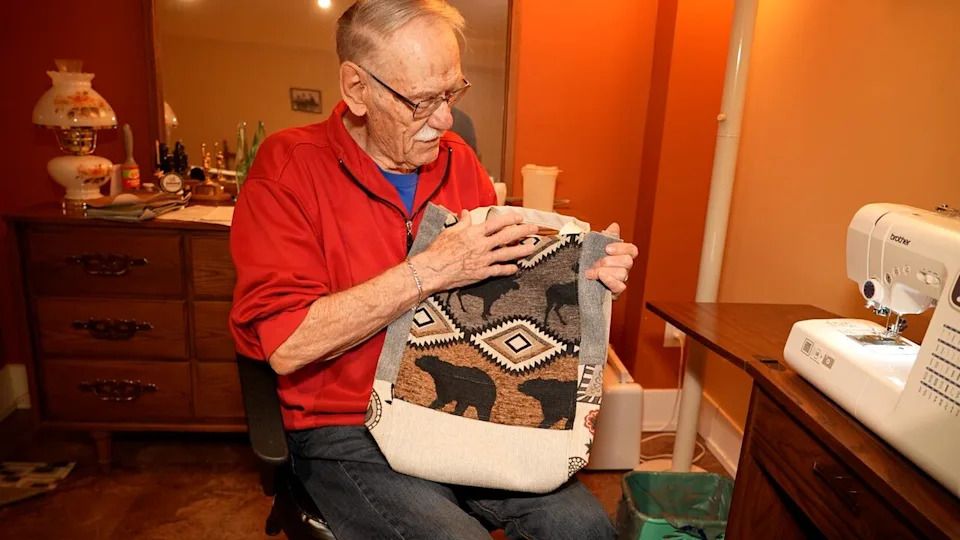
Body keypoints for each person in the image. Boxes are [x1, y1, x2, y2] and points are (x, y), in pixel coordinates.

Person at [230, 1, 638, 538]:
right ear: (357, 89)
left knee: (584, 529)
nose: (445, 120)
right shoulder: (287, 171)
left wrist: (585, 277)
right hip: (345, 426)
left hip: (452, 417)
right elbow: (288, 346)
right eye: (422, 101)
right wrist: (429, 269)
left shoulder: (458, 161)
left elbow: (503, 292)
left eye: (452, 93)